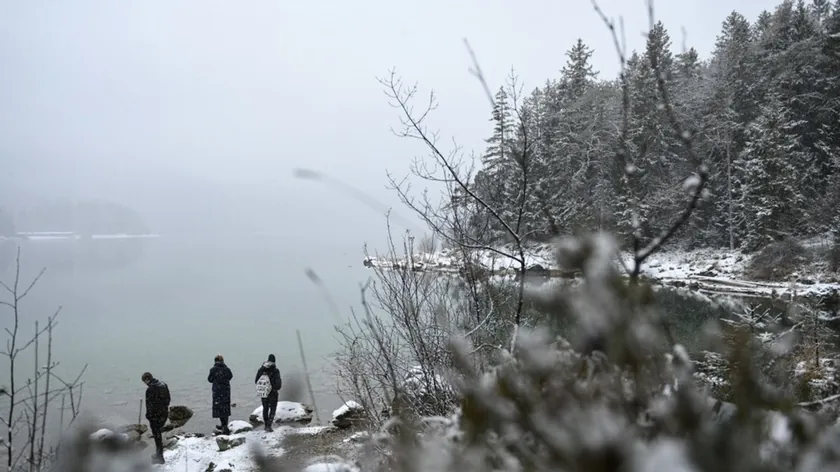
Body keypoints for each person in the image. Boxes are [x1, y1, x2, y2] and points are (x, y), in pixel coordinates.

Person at [142, 372, 171, 465]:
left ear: (147, 380)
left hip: (155, 416)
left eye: (144, 381)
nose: (145, 384)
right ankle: (159, 454)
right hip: (164, 414)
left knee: (157, 437)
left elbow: (149, 405)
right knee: (158, 435)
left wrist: (149, 416)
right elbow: (168, 400)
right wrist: (163, 408)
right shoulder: (163, 385)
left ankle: (159, 457)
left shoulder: (150, 390)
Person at [254, 354, 282, 432]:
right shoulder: (275, 370)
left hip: (264, 393)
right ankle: (269, 426)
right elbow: (278, 385)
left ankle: (266, 424)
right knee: (273, 409)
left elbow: (256, 381)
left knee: (265, 408)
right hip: (272, 393)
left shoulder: (261, 369)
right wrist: (274, 387)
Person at [207, 354, 233, 435]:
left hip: (217, 392)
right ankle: (224, 425)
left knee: (219, 408)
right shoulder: (227, 369)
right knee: (225, 408)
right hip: (225, 391)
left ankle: (224, 425)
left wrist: (216, 380)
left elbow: (209, 379)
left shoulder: (213, 370)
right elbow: (230, 377)